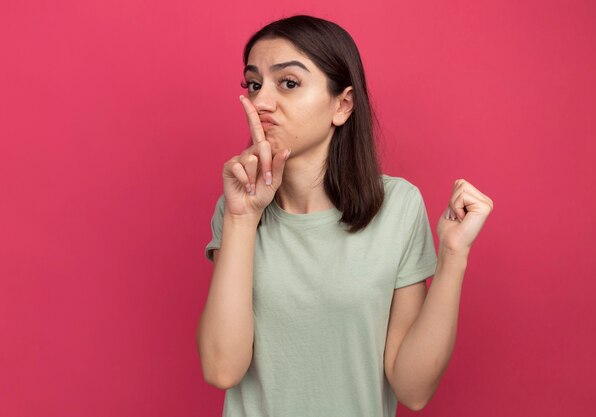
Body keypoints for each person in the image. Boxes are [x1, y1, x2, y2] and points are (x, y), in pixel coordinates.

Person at [196, 15, 494, 417]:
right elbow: (221, 369)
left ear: (342, 104)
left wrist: (453, 255)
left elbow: (413, 389)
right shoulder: (236, 207)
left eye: (288, 83)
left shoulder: (398, 207)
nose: (262, 101)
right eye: (254, 83)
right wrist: (240, 218)